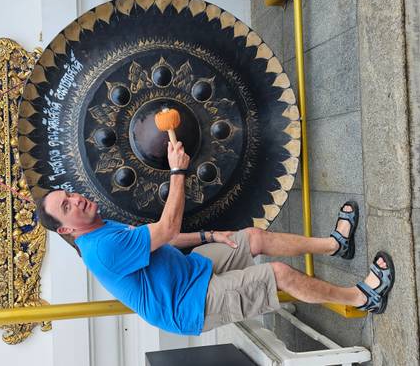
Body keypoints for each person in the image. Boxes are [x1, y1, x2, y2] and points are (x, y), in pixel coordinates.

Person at [36, 141, 394, 335]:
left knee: (251, 238)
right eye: (67, 207)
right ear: (67, 230)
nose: (76, 200)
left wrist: (209, 234)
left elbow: (160, 241)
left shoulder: (102, 226)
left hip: (190, 270)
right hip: (190, 303)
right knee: (279, 275)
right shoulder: (101, 249)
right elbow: (166, 229)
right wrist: (178, 170)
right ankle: (361, 299)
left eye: (69, 196)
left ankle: (334, 245)